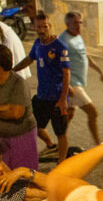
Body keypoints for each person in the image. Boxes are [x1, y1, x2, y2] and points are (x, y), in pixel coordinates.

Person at [13, 13, 71, 163]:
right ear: (34, 27)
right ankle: (51, 146)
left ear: (50, 26)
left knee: (61, 132)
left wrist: (63, 99)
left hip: (57, 99)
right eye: (39, 27)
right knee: (32, 125)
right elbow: (28, 59)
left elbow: (66, 73)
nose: (42, 29)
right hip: (42, 97)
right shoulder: (37, 44)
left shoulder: (60, 47)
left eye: (45, 26)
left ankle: (62, 162)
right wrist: (12, 71)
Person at [0, 44, 38, 171]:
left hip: (20, 137)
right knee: (1, 173)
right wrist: (3, 108)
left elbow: (16, 114)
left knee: (22, 175)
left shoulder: (18, 83)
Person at [60, 11, 103, 145]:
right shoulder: (63, 42)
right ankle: (98, 144)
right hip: (72, 84)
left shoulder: (78, 37)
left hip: (77, 83)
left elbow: (84, 56)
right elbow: (57, 65)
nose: (78, 25)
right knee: (93, 112)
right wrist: (67, 86)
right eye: (75, 23)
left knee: (69, 115)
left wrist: (100, 71)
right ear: (67, 24)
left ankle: (59, 144)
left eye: (80, 22)